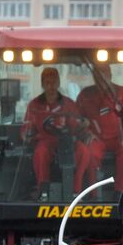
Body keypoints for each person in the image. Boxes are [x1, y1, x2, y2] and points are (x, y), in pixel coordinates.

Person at [22, 67, 87, 199]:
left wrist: (83, 125)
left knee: (84, 151)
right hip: (45, 141)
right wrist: (26, 135)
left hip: (68, 141)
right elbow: (26, 128)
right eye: (47, 83)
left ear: (58, 83)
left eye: (54, 82)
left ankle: (76, 191)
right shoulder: (34, 105)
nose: (51, 86)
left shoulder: (69, 104)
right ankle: (44, 191)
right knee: (41, 152)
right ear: (42, 84)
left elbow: (77, 124)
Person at [74, 63, 123, 192]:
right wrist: (85, 132)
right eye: (98, 75)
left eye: (104, 73)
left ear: (110, 74)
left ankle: (120, 192)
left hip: (118, 138)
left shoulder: (122, 94)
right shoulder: (85, 95)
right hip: (96, 139)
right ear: (94, 77)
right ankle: (94, 194)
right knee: (90, 153)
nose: (101, 78)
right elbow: (76, 120)